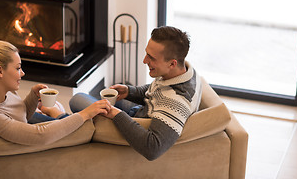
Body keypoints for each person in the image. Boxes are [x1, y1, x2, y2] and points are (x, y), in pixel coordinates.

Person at [70, 26, 202, 160]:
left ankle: (64, 120)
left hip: (135, 122)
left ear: (172, 64)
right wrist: (129, 92)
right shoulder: (184, 72)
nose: (145, 61)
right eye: (146, 54)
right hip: (143, 109)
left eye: (151, 58)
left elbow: (152, 148)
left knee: (77, 100)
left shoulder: (176, 102)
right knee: (101, 99)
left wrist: (117, 115)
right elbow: (156, 91)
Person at [0, 30, 112, 145]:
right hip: (37, 150)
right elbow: (40, 136)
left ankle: (58, 114)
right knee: (86, 122)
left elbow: (20, 116)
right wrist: (85, 114)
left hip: (32, 131)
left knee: (74, 108)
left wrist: (33, 97)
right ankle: (59, 114)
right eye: (18, 68)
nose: (22, 73)